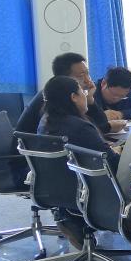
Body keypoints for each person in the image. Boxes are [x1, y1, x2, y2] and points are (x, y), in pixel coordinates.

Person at [36, 75, 121, 249]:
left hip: (57, 186)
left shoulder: (45, 121)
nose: (85, 96)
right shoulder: (80, 126)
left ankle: (68, 218)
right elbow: (111, 162)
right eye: (82, 92)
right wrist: (119, 152)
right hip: (86, 187)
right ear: (73, 97)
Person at [18, 52, 123, 135]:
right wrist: (107, 127)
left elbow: (98, 125)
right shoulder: (53, 98)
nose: (88, 80)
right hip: (29, 153)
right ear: (64, 78)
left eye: (87, 73)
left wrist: (90, 100)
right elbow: (84, 130)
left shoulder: (68, 94)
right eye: (81, 76)